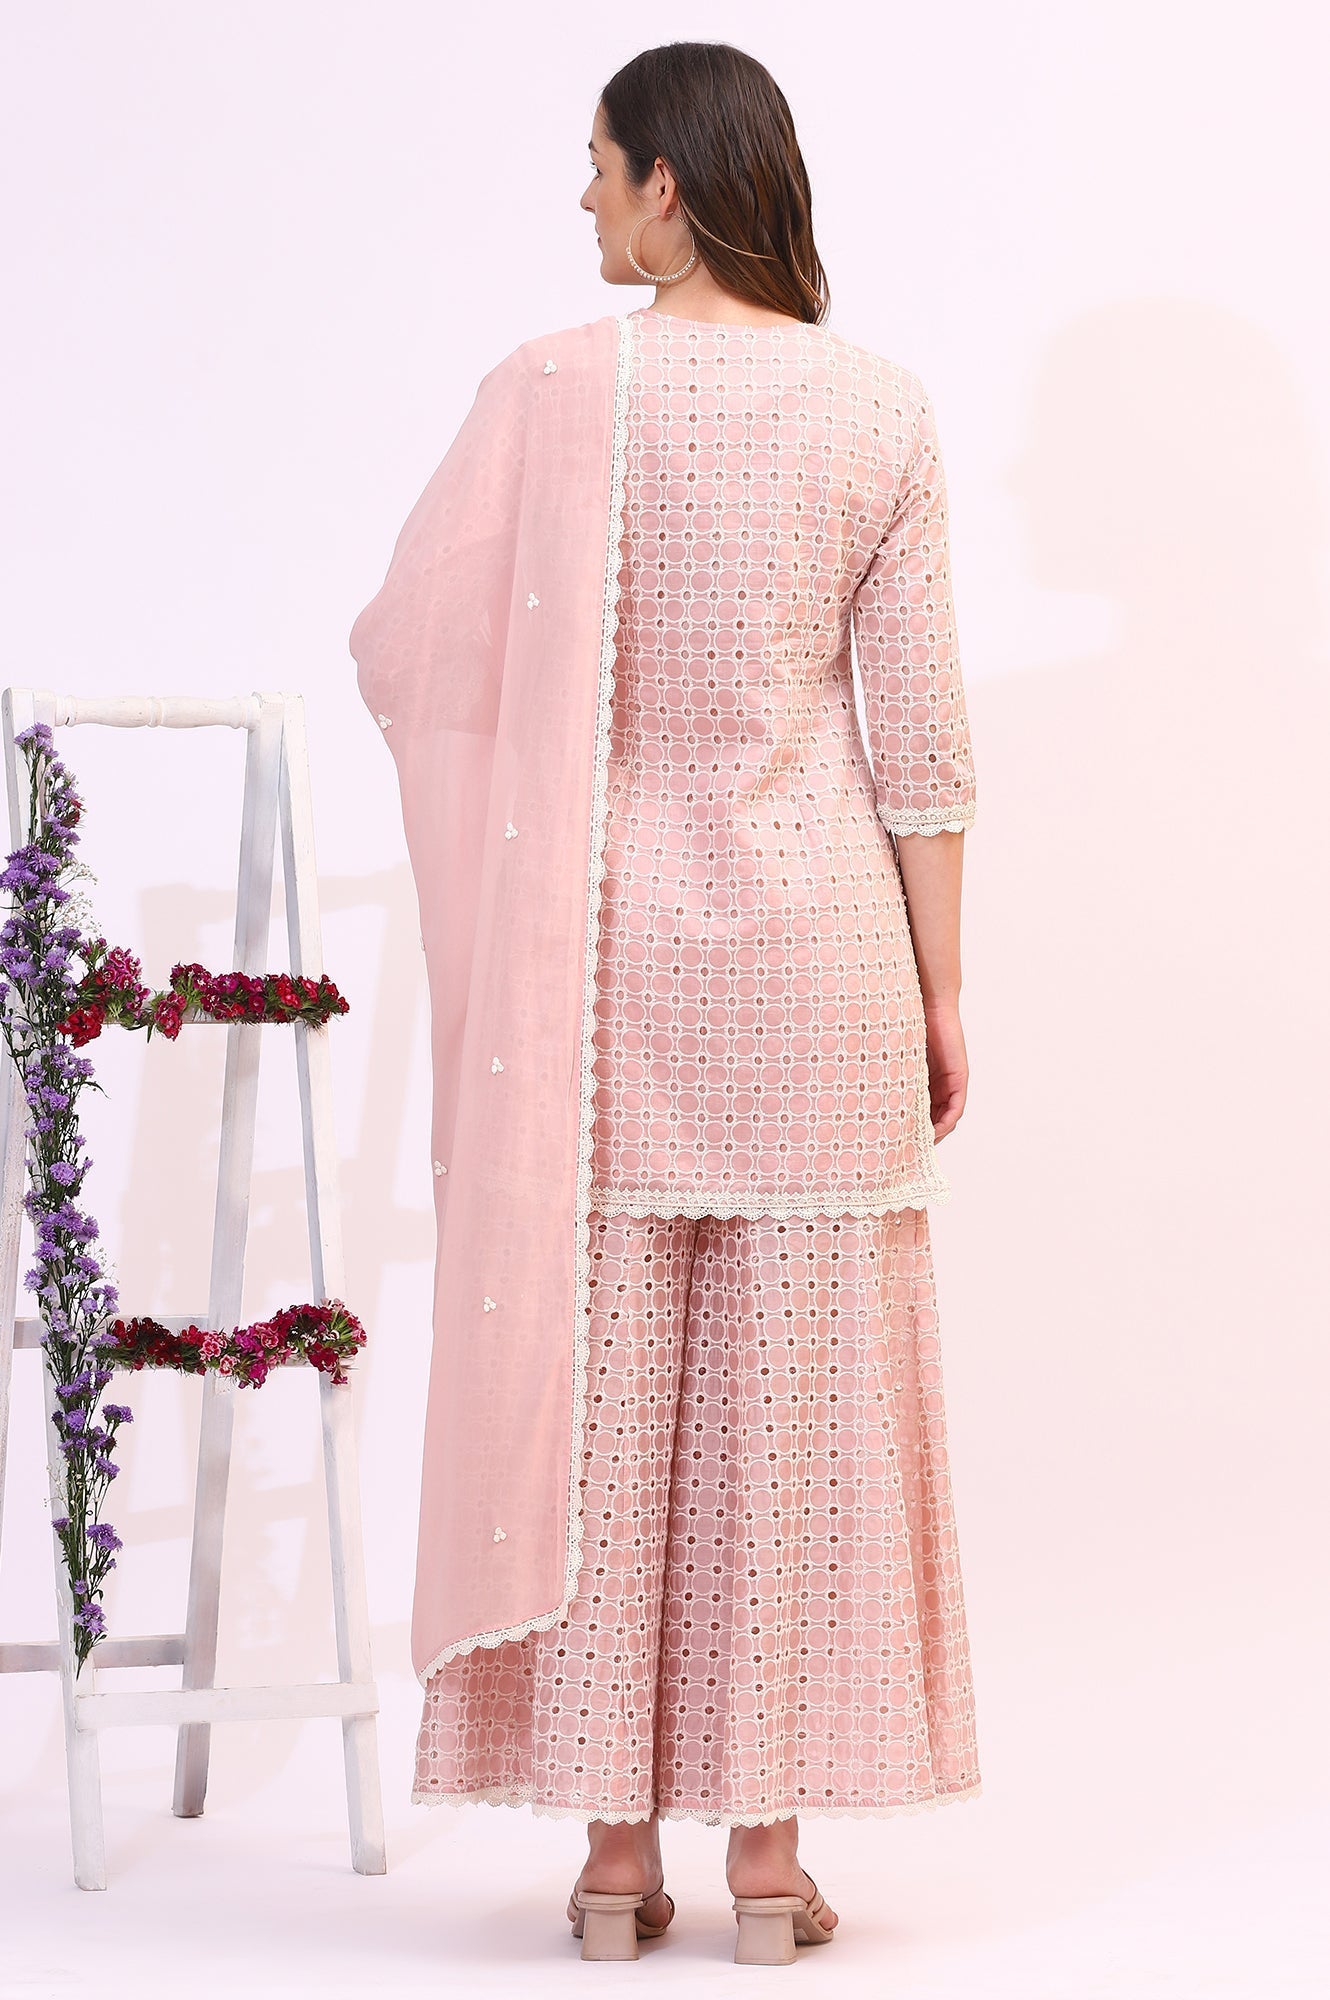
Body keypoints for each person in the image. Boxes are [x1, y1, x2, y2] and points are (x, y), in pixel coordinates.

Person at [352, 39, 980, 1968]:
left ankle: (613, 1864)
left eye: (599, 164)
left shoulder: (549, 393)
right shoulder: (876, 411)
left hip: (597, 977)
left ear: (670, 188)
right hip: (818, 974)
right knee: (785, 1428)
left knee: (605, 1415)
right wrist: (943, 989)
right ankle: (766, 1871)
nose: (583, 197)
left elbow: (402, 644)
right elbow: (921, 747)